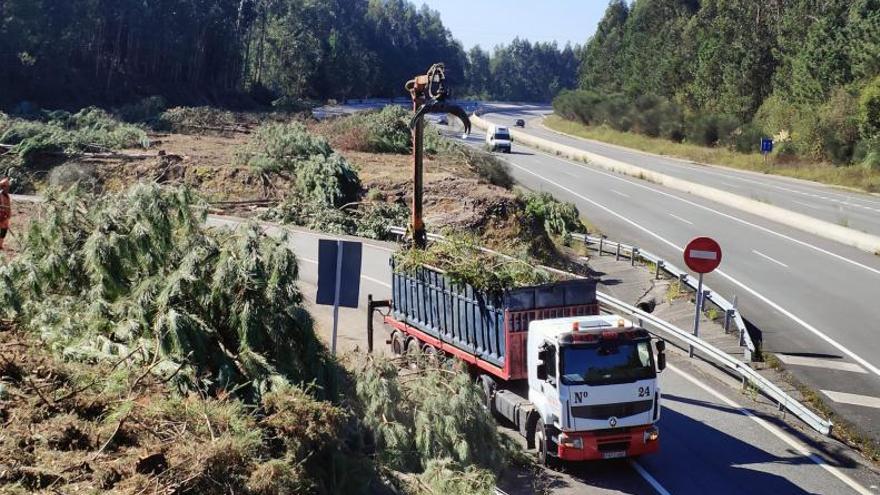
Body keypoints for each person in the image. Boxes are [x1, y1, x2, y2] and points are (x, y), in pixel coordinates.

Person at [0, 177, 10, 250]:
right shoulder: (1, 194)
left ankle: (0, 244)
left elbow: (7, 206)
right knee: (3, 228)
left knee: (4, 229)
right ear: (3, 186)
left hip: (5, 216)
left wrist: (8, 214)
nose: (8, 187)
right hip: (2, 215)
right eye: (7, 186)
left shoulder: (6, 195)